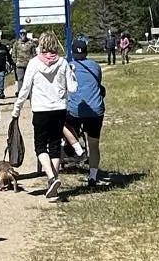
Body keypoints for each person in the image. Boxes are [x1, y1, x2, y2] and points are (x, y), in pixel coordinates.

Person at [14, 32, 78, 201]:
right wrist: (72, 73)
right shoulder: (63, 63)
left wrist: (17, 109)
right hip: (59, 109)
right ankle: (54, 185)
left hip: (41, 110)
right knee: (55, 146)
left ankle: (51, 177)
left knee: (40, 146)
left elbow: (25, 88)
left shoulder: (34, 63)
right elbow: (72, 88)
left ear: (40, 45)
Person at [67, 36, 108, 187]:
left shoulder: (69, 66)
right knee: (94, 144)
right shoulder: (95, 66)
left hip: (76, 110)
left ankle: (76, 147)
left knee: (61, 124)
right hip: (96, 110)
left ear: (72, 52)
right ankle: (93, 177)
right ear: (86, 51)